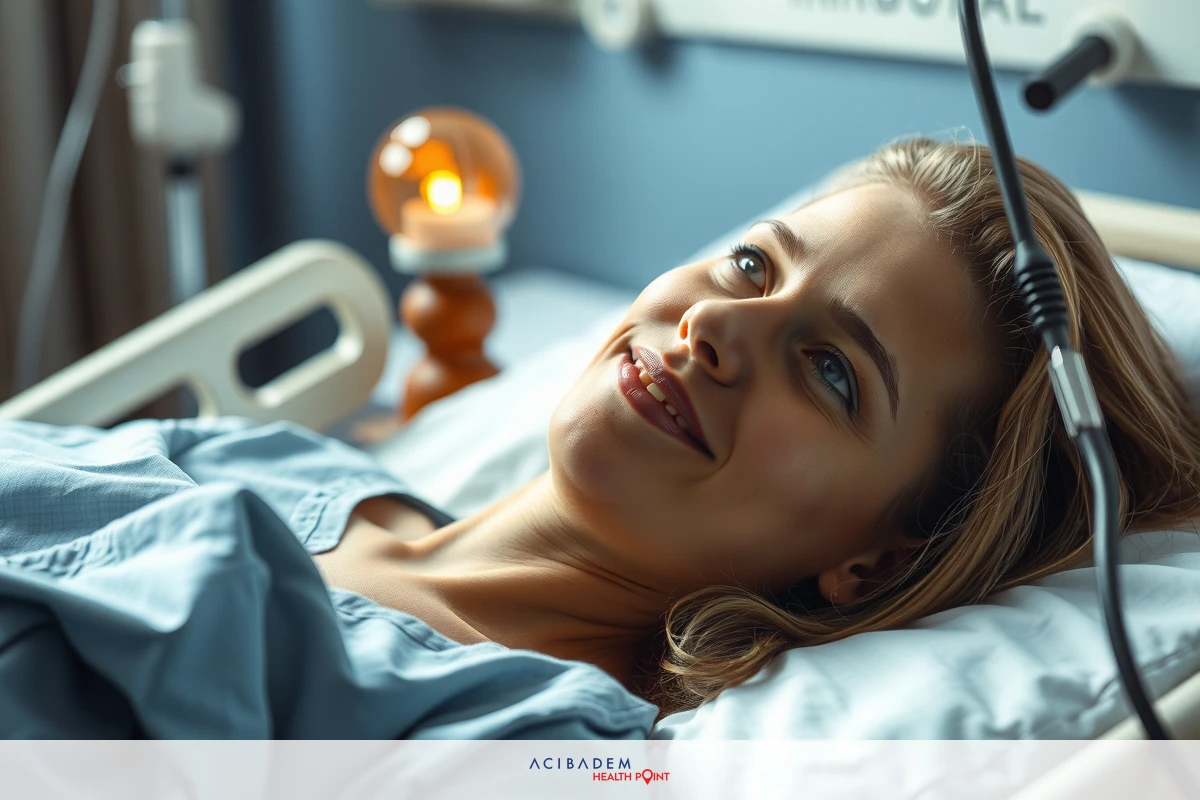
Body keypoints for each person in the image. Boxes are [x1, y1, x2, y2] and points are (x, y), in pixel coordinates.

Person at [2, 138, 1198, 736]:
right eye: (750, 262)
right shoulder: (274, 457)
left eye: (831, 369)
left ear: (878, 557)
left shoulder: (555, 746)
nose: (718, 323)